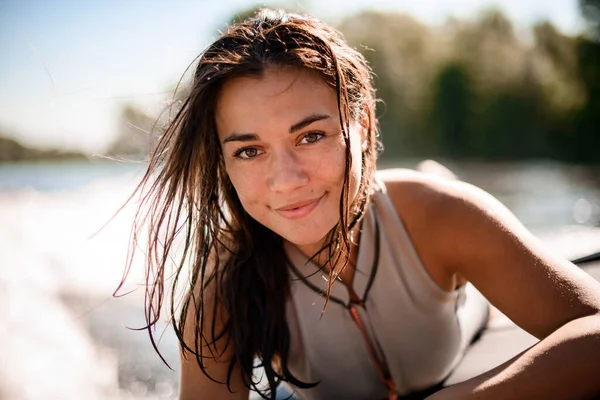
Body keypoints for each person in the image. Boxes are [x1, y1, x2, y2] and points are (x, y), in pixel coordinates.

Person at [125, 8, 600, 400]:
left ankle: (436, 174)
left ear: (364, 128)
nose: (286, 181)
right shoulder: (220, 289)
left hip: (460, 306)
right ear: (223, 163)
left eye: (311, 136)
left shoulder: (442, 216)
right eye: (249, 151)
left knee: (432, 192)